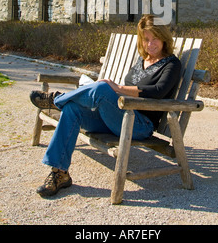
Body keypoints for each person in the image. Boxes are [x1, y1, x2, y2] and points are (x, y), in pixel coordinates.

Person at [30, 15, 181, 197]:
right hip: (118, 118)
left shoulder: (172, 64)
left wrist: (116, 88)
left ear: (164, 37)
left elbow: (158, 91)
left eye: (155, 38)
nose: (150, 44)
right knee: (72, 109)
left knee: (102, 87)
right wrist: (114, 91)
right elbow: (124, 90)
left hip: (140, 125)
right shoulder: (142, 61)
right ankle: (59, 173)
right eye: (146, 39)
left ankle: (56, 100)